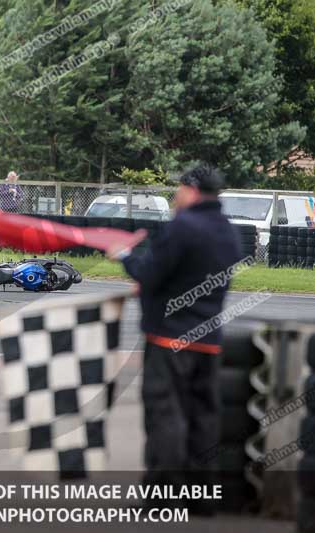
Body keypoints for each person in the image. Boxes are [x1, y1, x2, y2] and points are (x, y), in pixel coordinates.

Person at [106, 164, 242, 512]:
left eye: (178, 188)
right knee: (204, 418)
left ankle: (162, 499)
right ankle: (201, 500)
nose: (175, 195)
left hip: (169, 339)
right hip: (209, 339)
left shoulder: (183, 227)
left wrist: (124, 256)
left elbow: (151, 273)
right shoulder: (228, 231)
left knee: (165, 414)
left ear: (192, 190)